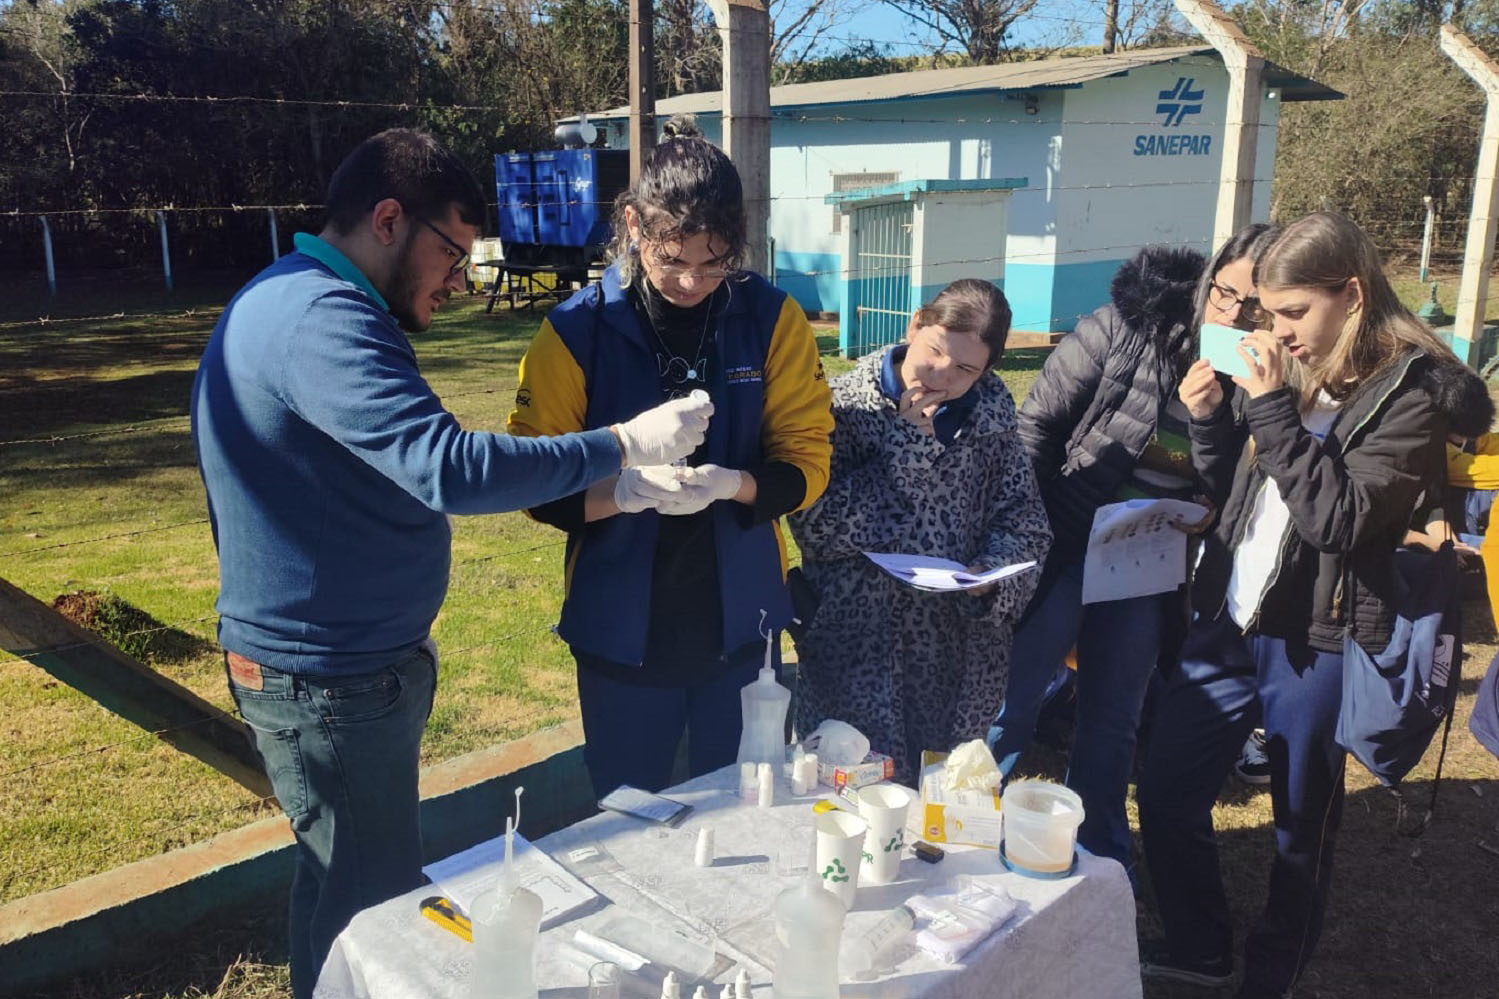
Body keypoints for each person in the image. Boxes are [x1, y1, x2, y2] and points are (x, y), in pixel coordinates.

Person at [191, 128, 711, 999]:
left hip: (333, 664)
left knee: (338, 877)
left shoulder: (299, 296)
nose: (460, 279)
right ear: (389, 219)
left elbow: (380, 467)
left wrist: (619, 494)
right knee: (375, 905)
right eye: (452, 253)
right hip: (328, 675)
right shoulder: (321, 316)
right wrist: (618, 445)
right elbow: (448, 467)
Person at [1136, 212, 1460, 999]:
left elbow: (1337, 518)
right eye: (1265, 315)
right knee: (1167, 789)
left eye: (1290, 314)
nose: (1275, 332)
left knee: (1297, 825)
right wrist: (1215, 420)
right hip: (1229, 617)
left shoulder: (1411, 392)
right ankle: (1199, 943)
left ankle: (1271, 975)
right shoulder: (1295, 367)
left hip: (1319, 635)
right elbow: (1238, 489)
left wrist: (1272, 404)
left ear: (1350, 295)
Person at [507, 117, 834, 797]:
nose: (692, 280)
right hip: (619, 628)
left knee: (745, 803)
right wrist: (623, 491)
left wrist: (734, 485)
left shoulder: (772, 320)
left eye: (715, 263)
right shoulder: (573, 331)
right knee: (625, 806)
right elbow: (535, 479)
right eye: (671, 260)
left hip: (743, 629)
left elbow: (807, 460)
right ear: (632, 224)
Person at [986, 228, 1277, 875]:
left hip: (1143, 566)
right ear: (1207, 280)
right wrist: (1026, 540)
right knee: (1012, 702)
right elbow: (1036, 425)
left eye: (1252, 306)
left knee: (1112, 718)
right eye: (1223, 293)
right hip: (1062, 545)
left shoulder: (1258, 372)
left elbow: (1227, 481)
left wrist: (1205, 438)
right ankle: (970, 838)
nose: (1231, 315)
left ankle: (1096, 863)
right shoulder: (1123, 326)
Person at [788, 279, 1051, 782]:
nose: (943, 375)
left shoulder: (992, 420)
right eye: (935, 352)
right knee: (850, 802)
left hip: (958, 660)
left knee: (941, 819)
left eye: (967, 369)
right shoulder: (842, 406)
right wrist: (905, 448)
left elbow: (1026, 523)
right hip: (855, 650)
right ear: (915, 325)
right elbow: (816, 530)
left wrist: (994, 578)